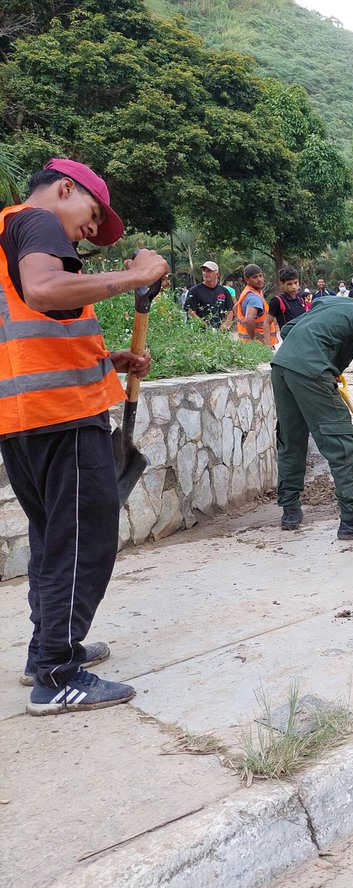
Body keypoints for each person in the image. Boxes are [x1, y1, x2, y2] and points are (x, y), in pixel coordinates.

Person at [2, 158, 168, 715]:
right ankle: (56, 675)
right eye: (93, 215)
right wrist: (138, 277)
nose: (91, 232)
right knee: (84, 539)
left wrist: (107, 360)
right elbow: (46, 291)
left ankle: (45, 651)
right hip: (63, 416)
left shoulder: (10, 228)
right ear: (64, 189)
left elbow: (30, 328)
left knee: (54, 538)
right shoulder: (38, 221)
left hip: (25, 416)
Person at [271, 293, 353, 539]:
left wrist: (319, 356)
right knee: (342, 443)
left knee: (291, 438)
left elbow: (290, 328)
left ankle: (290, 509)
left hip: (282, 366)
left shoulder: (332, 302)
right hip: (310, 373)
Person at [183, 260, 234, 330]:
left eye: (209, 271)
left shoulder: (224, 291)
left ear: (217, 274)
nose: (205, 273)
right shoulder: (194, 291)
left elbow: (230, 310)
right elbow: (190, 312)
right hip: (199, 333)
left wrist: (226, 324)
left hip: (220, 333)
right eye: (204, 271)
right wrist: (205, 326)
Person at [235, 263, 273, 345]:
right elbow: (249, 320)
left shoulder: (247, 291)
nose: (259, 279)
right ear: (247, 279)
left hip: (246, 344)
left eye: (260, 276)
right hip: (259, 346)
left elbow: (235, 308)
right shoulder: (254, 298)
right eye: (255, 277)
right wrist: (257, 340)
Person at [267, 265, 306, 333]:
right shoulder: (277, 301)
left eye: (295, 283)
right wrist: (267, 342)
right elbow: (267, 322)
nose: (294, 286)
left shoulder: (300, 298)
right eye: (289, 284)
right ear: (282, 284)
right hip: (289, 339)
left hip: (304, 337)